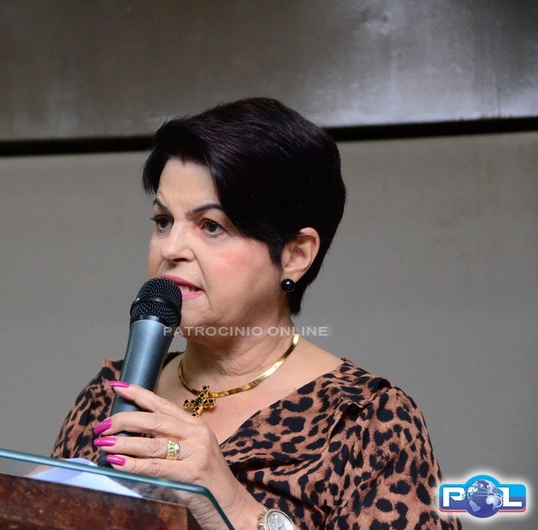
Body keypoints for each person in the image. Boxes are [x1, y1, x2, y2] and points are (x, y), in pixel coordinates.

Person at [52, 98, 460, 529]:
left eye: (211, 226)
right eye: (163, 221)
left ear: (295, 255)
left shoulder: (366, 423)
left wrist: (230, 503)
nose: (170, 249)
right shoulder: (106, 397)